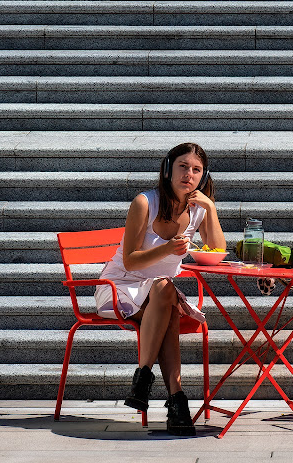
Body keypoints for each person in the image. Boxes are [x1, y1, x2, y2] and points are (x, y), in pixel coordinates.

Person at [94, 142, 226, 436]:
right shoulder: (145, 203)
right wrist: (167, 248)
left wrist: (211, 207)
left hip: (158, 295)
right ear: (168, 170)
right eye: (182, 166)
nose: (188, 175)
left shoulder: (197, 211)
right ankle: (175, 402)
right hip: (118, 287)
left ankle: (145, 380)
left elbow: (217, 250)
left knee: (166, 295)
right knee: (167, 298)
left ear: (203, 177)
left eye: (196, 170)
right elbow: (129, 261)